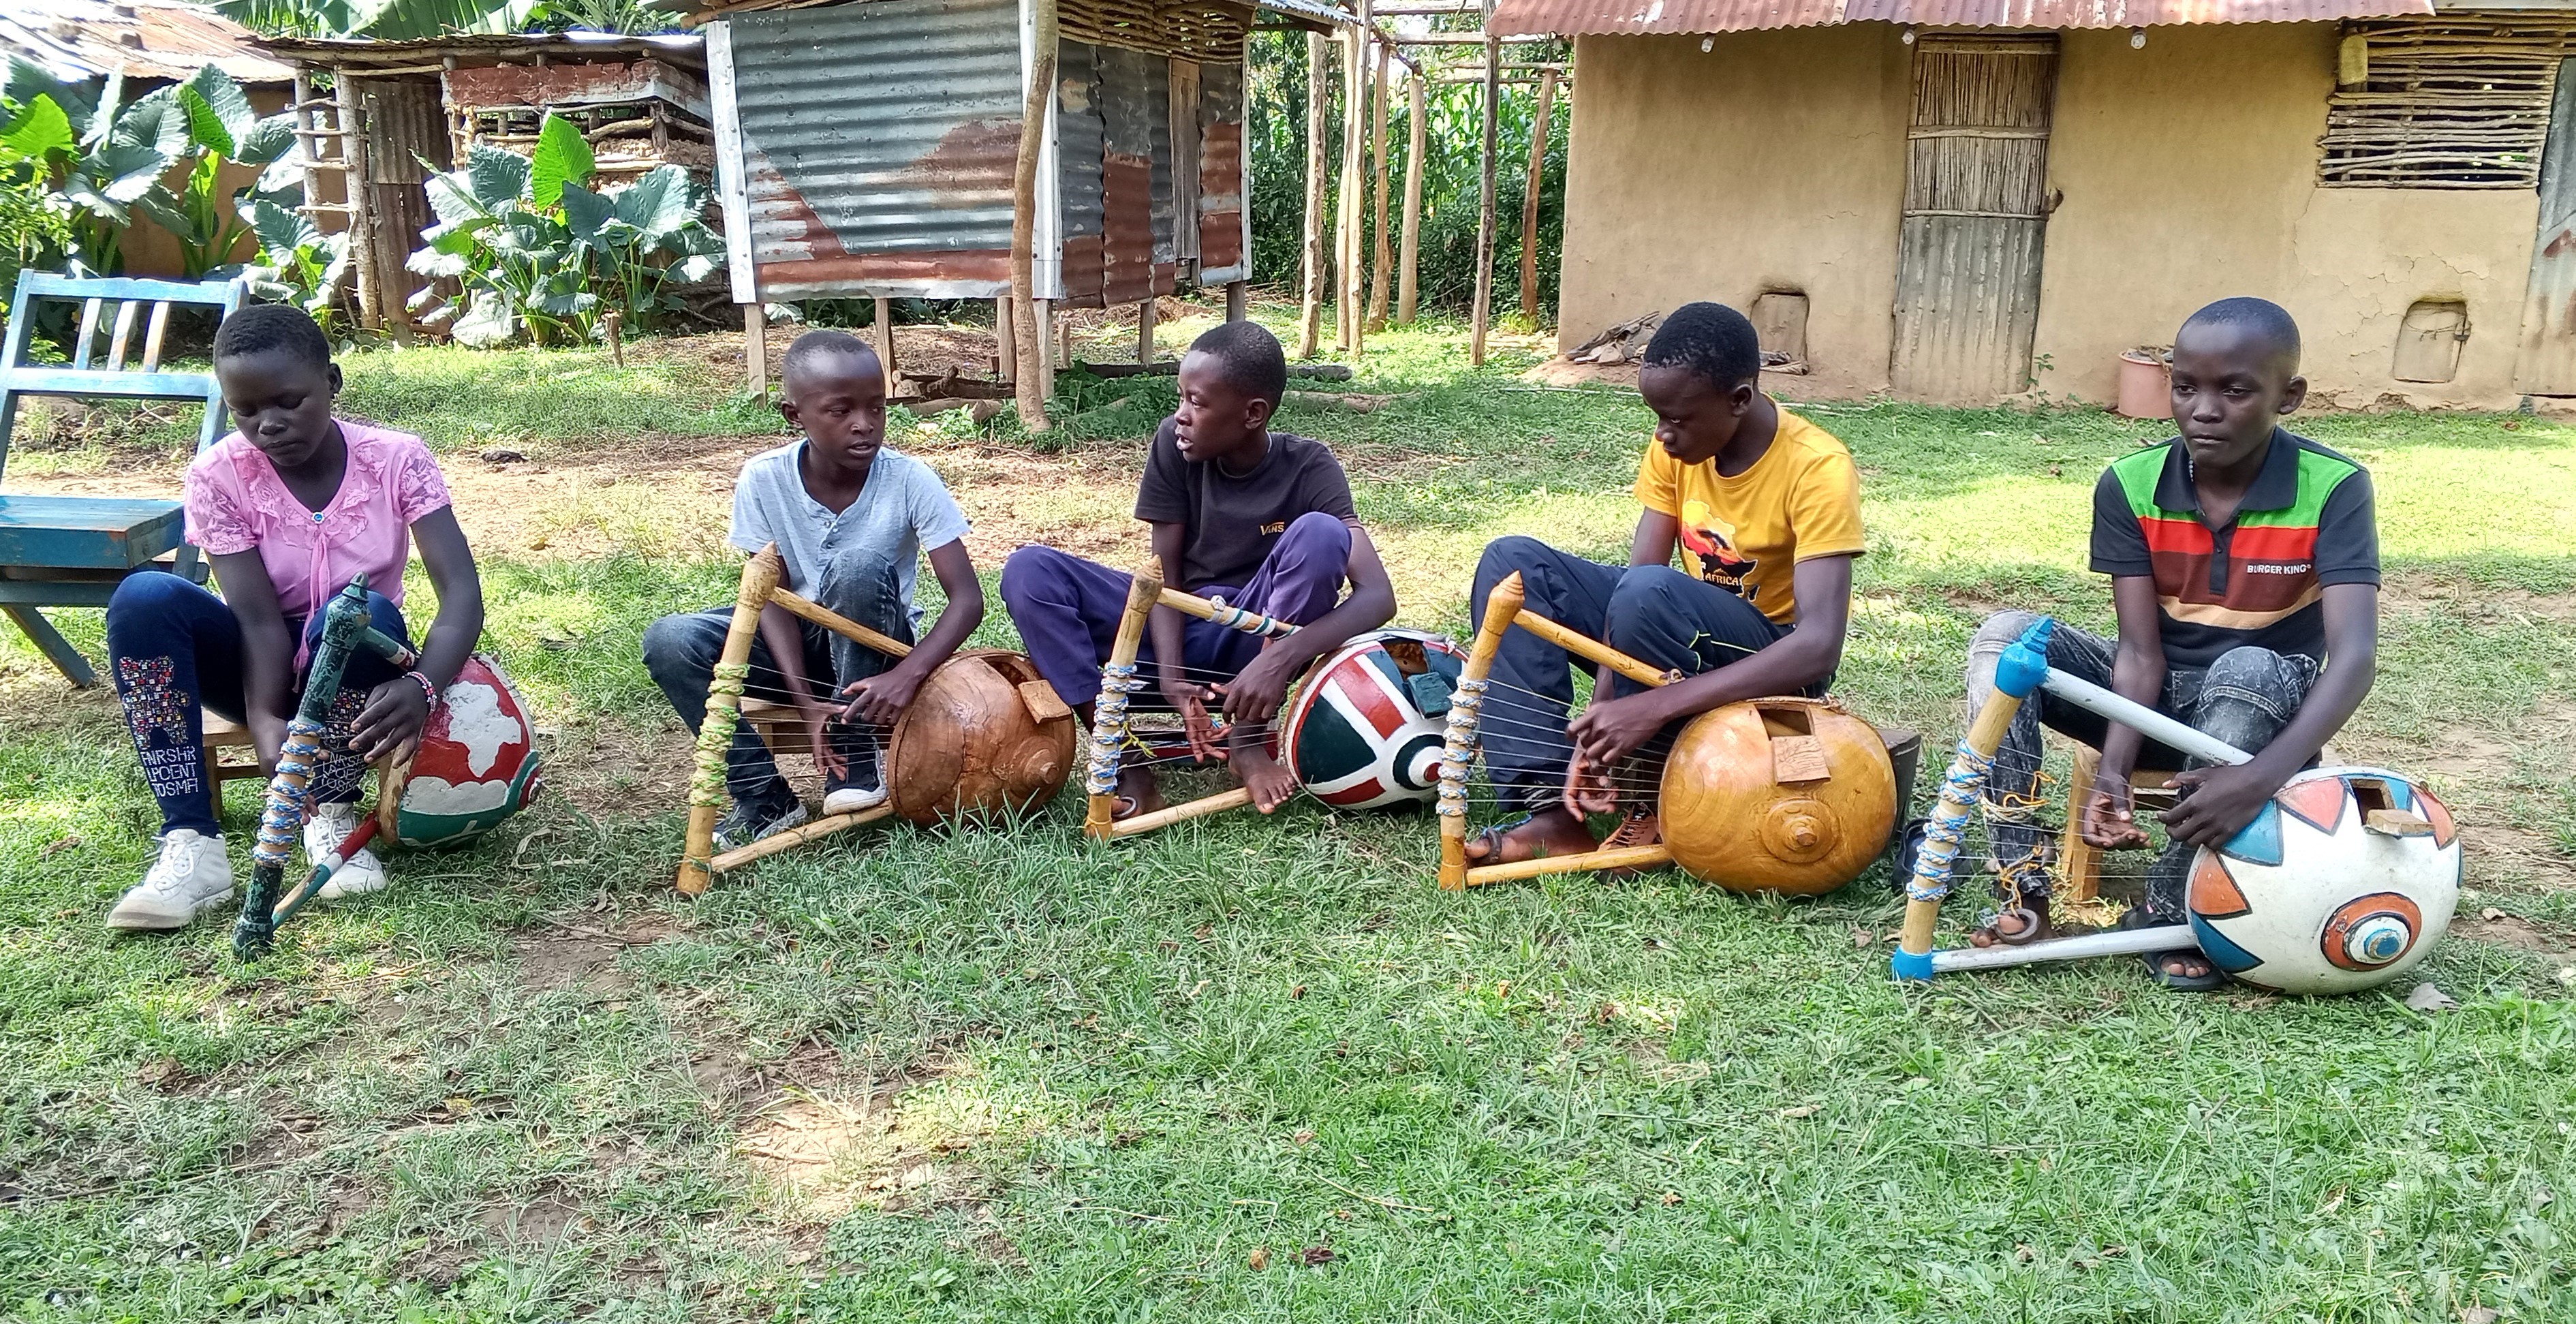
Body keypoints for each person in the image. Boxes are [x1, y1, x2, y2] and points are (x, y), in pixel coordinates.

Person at [1966, 297, 2378, 990]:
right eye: (2185, 386)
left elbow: (2355, 656)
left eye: (2235, 390)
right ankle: (2021, 888)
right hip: (2151, 701)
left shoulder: (2334, 487)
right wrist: (2114, 775)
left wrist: (2260, 774)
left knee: (2247, 664)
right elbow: (2138, 653)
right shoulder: (2130, 484)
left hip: (2255, 726)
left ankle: (2166, 904)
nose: (2203, 409)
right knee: (2004, 639)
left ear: (2290, 396)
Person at [102, 303, 484, 930]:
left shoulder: (395, 459)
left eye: (288, 401)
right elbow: (253, 620)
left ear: (331, 383)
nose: (267, 425)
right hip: (263, 663)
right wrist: (264, 717)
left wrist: (423, 685)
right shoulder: (218, 475)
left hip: (364, 666)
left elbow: (462, 593)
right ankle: (193, 843)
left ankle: (330, 808)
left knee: (354, 612)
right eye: (245, 411)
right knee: (145, 597)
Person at [1460, 301, 1865, 866]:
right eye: (1656, 416)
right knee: (1515, 564)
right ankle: (1552, 810)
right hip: (1673, 627)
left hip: (1775, 658)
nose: (1663, 435)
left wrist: (1653, 708)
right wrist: (1601, 716)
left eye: (1676, 418)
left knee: (1652, 591)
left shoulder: (1816, 466)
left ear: (1739, 400)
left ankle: (1649, 797)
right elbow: (1632, 581)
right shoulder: (1678, 446)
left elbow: (1818, 646)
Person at [999, 320, 1397, 817]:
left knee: (1320, 532)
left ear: (1252, 414)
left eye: (1197, 402)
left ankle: (1249, 740)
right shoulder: (1174, 443)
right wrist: (1169, 677)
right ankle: (1124, 759)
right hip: (1176, 621)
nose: (1180, 416)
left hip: (1255, 638)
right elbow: (1161, 574)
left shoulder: (1308, 466)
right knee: (1029, 570)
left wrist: (1277, 661)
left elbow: (1377, 595)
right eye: (1180, 399)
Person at [644, 330, 982, 848]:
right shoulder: (763, 478)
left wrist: (908, 677)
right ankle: (763, 798)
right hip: (798, 647)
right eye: (840, 410)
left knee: (856, 566)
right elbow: (771, 599)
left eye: (876, 407)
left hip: (879, 658)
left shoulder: (910, 479)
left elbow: (967, 600)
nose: (864, 424)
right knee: (670, 638)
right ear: (793, 414)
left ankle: (854, 757)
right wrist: (804, 702)